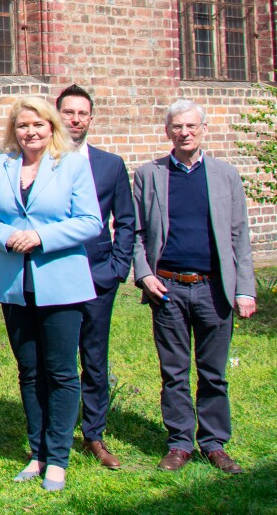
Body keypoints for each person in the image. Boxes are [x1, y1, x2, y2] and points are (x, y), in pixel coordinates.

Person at [0, 96, 101, 491]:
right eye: (23, 126)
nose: (31, 132)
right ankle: (37, 452)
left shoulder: (73, 165)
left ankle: (58, 458)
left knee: (61, 372)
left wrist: (41, 236)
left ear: (52, 128)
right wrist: (6, 236)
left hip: (60, 283)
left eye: (39, 125)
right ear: (15, 130)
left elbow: (91, 221)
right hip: (15, 284)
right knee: (29, 371)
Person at [132, 99, 256, 474]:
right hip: (167, 287)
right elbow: (134, 232)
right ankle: (180, 441)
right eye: (177, 127)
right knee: (173, 371)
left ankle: (214, 442)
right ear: (167, 131)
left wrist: (245, 289)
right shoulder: (149, 174)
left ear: (203, 129)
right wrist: (144, 274)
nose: (184, 132)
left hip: (214, 288)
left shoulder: (225, 174)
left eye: (191, 126)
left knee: (213, 371)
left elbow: (239, 236)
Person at [56, 84, 135, 470]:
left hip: (97, 275)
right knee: (55, 357)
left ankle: (94, 433)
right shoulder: (44, 159)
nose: (74, 119)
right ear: (58, 115)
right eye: (68, 112)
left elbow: (127, 220)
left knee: (94, 357)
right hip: (54, 273)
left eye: (81, 113)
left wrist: (118, 268)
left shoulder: (109, 165)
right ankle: (55, 429)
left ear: (90, 118)